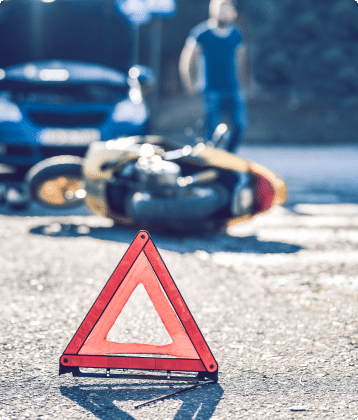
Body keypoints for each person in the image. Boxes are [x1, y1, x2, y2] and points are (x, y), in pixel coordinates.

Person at [179, 0, 250, 152]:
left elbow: (241, 60)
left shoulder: (236, 34)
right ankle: (214, 156)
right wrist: (189, 84)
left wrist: (244, 83)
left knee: (240, 124)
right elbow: (187, 60)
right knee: (212, 128)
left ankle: (230, 154)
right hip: (210, 88)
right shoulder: (201, 33)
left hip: (232, 87)